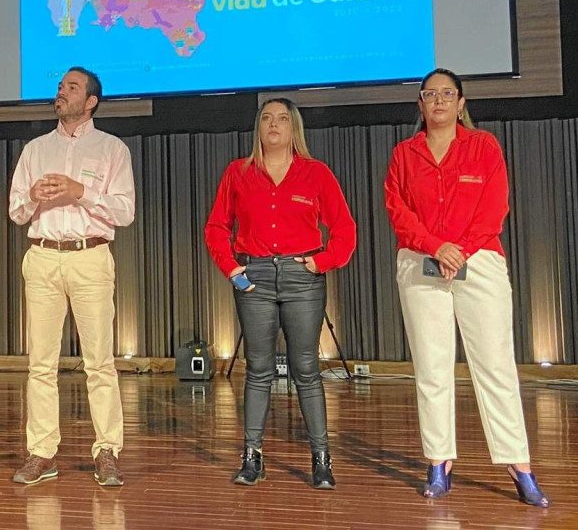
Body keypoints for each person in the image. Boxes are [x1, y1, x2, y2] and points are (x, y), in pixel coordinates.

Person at [384, 68, 549, 507]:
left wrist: (460, 250)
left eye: (447, 94)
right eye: (429, 94)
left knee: (495, 366)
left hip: (479, 262)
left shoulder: (484, 147)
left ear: (461, 102)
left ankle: (519, 466)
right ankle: (439, 462)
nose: (438, 101)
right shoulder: (404, 153)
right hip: (421, 264)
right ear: (420, 104)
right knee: (432, 369)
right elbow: (398, 210)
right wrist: (436, 246)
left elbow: (495, 207)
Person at [204, 97, 356, 489]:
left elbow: (345, 230)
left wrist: (321, 263)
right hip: (253, 277)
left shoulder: (316, 174)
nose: (274, 124)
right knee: (258, 370)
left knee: (306, 369)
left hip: (301, 278)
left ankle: (321, 459)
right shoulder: (238, 173)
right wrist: (232, 269)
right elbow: (217, 227)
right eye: (267, 118)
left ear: (294, 128)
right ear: (258, 128)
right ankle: (252, 457)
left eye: (282, 119)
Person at [8, 67, 135, 486]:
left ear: (91, 101)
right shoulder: (35, 149)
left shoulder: (111, 149)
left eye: (72, 88)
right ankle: (41, 453)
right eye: (61, 87)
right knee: (40, 363)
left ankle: (107, 451)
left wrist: (80, 191)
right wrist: (32, 197)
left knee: (99, 362)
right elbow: (15, 211)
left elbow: (124, 212)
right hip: (42, 257)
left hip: (89, 257)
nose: (61, 92)